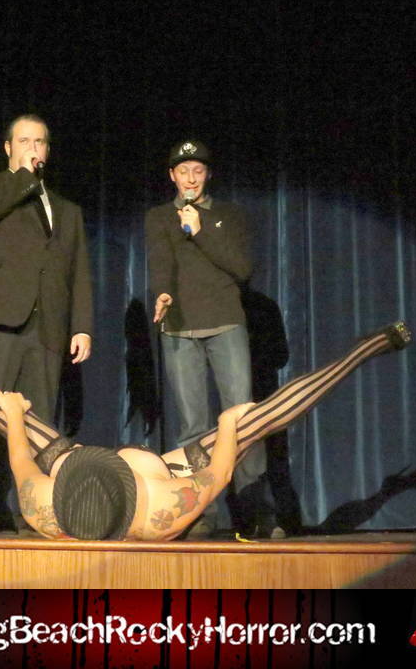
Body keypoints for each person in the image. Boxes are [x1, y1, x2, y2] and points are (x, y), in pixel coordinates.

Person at [0, 315, 411, 541]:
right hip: (166, 472)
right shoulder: (163, 508)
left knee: (1, 410)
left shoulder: (44, 506)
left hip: (80, 484)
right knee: (256, 419)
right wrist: (227, 425)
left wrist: (11, 416)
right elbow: (220, 472)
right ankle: (367, 348)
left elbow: (21, 461)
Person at [0, 114, 93, 535]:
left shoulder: (67, 210)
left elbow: (78, 272)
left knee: (38, 425)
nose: (33, 148)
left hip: (46, 328)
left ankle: (33, 509)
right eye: (24, 141)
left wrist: (81, 325)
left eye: (40, 142)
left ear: (49, 150)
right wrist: (25, 178)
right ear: (8, 148)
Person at [144, 139, 267, 537]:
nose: (191, 179)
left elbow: (242, 268)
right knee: (192, 429)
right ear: (172, 176)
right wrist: (162, 293)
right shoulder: (158, 217)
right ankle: (199, 513)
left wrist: (200, 230)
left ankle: (255, 511)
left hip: (225, 324)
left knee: (243, 419)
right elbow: (160, 263)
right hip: (180, 329)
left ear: (208, 174)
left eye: (198, 171)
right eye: (183, 171)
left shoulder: (229, 215)